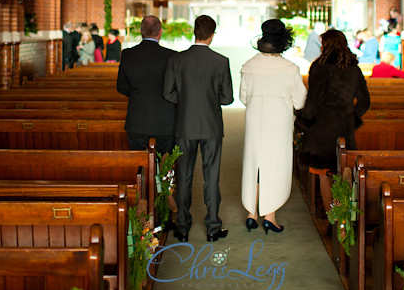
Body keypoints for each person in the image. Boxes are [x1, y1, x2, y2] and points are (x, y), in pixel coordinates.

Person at [163, 14, 233, 243]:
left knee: (184, 176)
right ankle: (213, 227)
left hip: (184, 124)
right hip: (211, 125)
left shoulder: (177, 60)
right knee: (211, 176)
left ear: (194, 32)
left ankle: (182, 227)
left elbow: (168, 93)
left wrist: (185, 102)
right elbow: (227, 98)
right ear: (212, 35)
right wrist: (211, 100)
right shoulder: (220, 61)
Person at [240, 19, 307, 234]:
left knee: (254, 163)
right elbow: (300, 101)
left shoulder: (249, 65)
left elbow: (243, 97)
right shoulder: (289, 68)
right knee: (275, 165)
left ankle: (252, 214)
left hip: (254, 119)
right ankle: (269, 216)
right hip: (278, 121)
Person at [298, 29, 370, 216]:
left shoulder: (319, 66)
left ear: (325, 45)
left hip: (322, 127)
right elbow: (364, 101)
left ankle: (332, 217)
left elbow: (312, 100)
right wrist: (351, 118)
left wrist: (305, 121)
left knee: (323, 173)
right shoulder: (353, 68)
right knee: (343, 172)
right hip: (343, 127)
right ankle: (343, 219)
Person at [116, 16, 177, 156]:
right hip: (165, 121)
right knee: (165, 165)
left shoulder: (128, 54)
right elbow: (176, 88)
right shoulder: (172, 56)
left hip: (137, 119)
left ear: (141, 31)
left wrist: (138, 94)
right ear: (160, 32)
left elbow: (121, 86)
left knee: (138, 164)